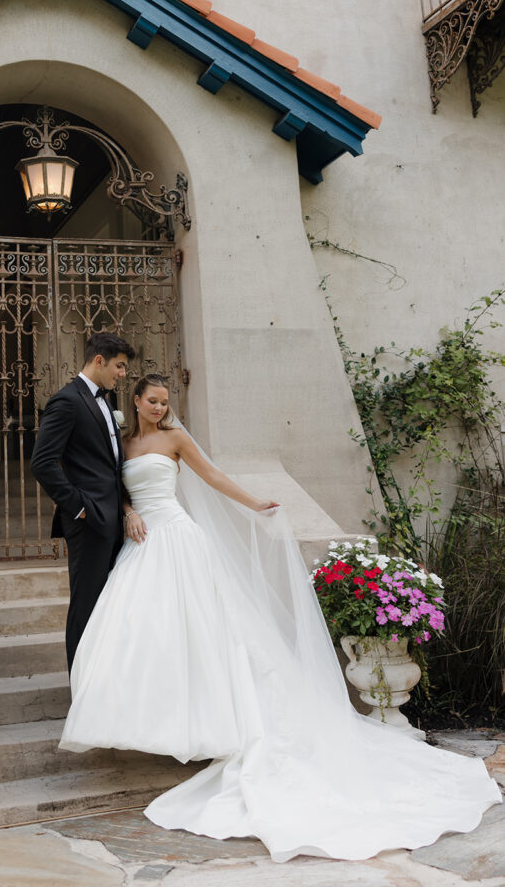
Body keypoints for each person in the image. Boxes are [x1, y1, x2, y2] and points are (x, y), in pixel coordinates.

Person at [59, 373, 501, 863]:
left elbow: (213, 477)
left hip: (179, 539)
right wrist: (126, 512)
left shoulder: (176, 438)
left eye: (166, 401)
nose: (160, 408)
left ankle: (217, 726)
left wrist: (254, 503)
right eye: (152, 401)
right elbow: (113, 485)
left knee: (204, 633)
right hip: (143, 540)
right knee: (142, 634)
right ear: (137, 401)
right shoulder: (122, 441)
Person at [30, 332, 135, 671]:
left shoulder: (107, 401)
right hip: (89, 520)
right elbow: (42, 462)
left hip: (113, 519)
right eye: (119, 366)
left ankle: (105, 681)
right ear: (99, 360)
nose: (123, 374)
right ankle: (82, 688)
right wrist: (79, 507)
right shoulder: (67, 400)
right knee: (87, 605)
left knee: (110, 605)